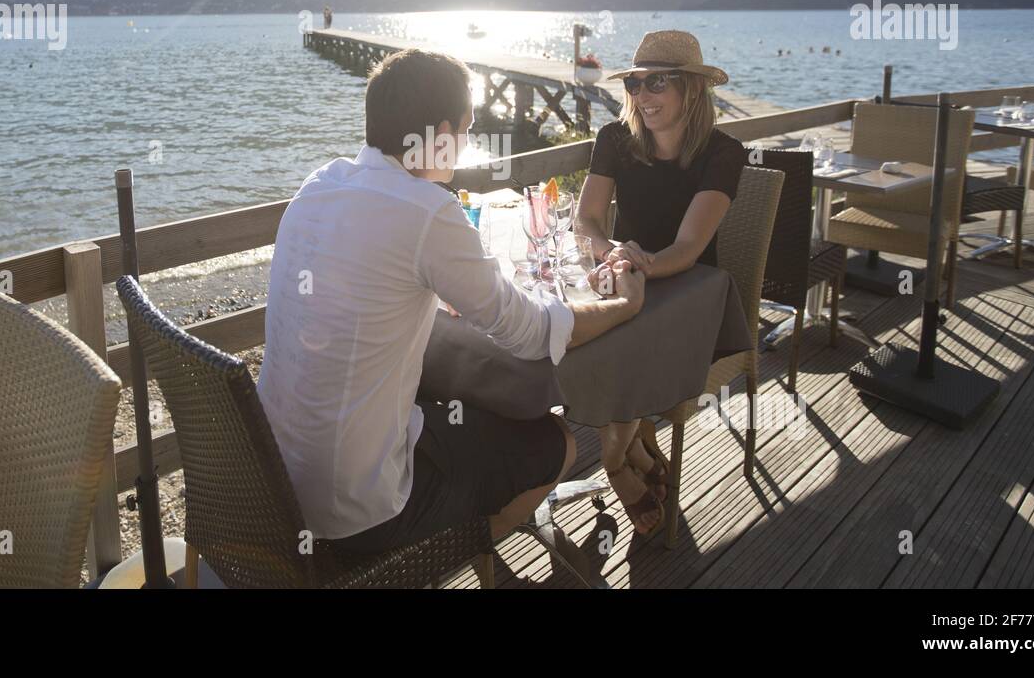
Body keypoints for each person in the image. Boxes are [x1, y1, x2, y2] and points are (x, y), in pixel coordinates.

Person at [257, 48, 645, 555]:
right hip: (356, 512)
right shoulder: (426, 209)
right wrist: (624, 307)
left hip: (274, 484)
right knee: (555, 442)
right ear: (438, 135)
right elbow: (529, 333)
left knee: (456, 404)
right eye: (464, 131)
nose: (464, 145)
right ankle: (438, 560)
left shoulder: (318, 185)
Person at [574, 30, 745, 534]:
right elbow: (586, 220)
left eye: (657, 84)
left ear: (690, 89)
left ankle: (616, 462)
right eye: (635, 85)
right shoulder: (615, 141)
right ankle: (639, 453)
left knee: (615, 341)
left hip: (690, 295)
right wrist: (614, 255)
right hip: (626, 280)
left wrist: (637, 264)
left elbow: (689, 248)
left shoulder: (723, 153)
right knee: (586, 334)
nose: (642, 97)